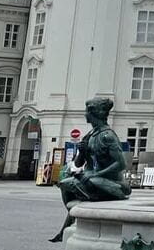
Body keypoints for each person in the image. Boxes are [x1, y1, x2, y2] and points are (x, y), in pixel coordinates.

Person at [49, 97, 130, 242]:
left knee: (73, 184)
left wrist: (97, 174)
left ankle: (82, 211)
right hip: (92, 176)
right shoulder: (90, 135)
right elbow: (79, 163)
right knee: (64, 183)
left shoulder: (108, 136)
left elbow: (121, 164)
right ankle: (78, 214)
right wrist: (83, 152)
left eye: (87, 111)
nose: (85, 114)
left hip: (110, 181)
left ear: (94, 113)